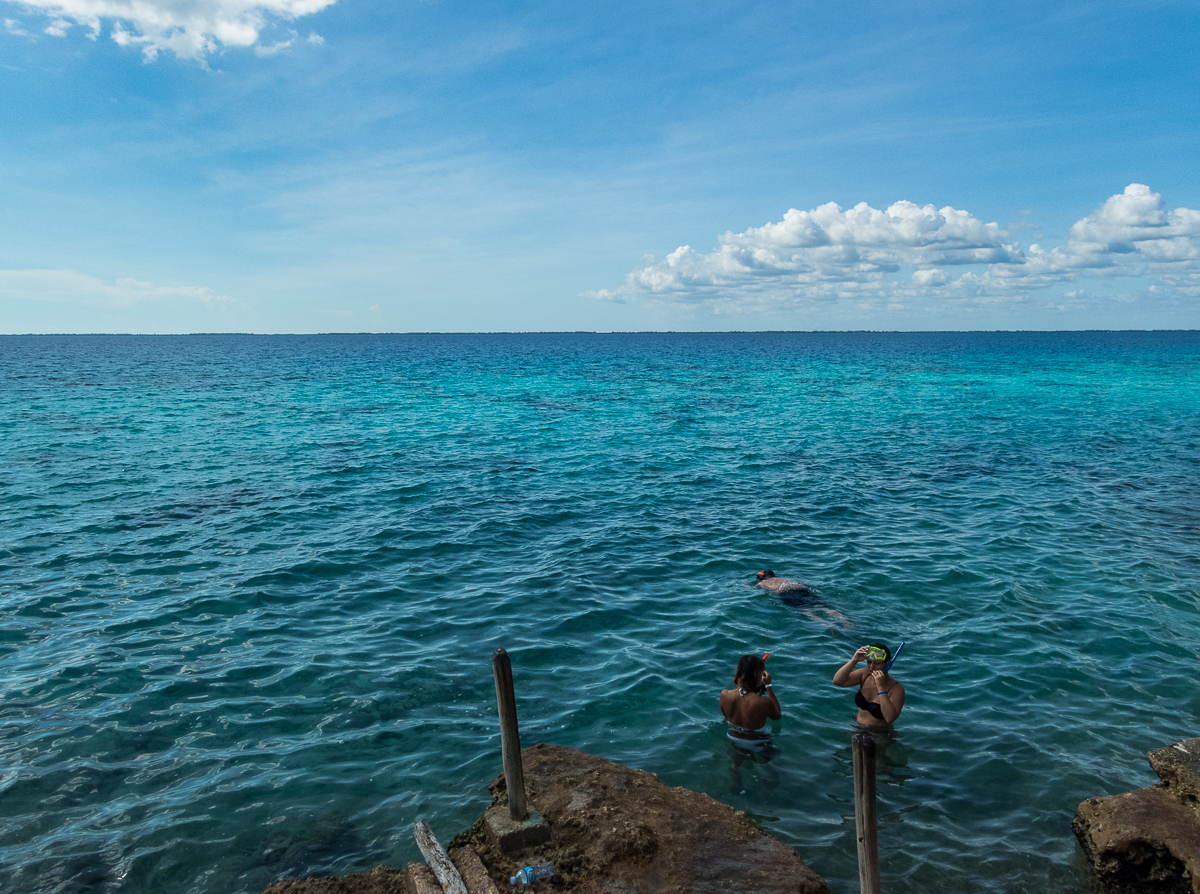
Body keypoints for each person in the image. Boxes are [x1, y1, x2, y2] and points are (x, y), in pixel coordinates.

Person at [719, 654, 780, 754]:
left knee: (737, 758)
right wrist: (768, 685)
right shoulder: (763, 701)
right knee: (775, 756)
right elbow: (777, 716)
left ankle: (735, 764)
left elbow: (727, 717)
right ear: (757, 675)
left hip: (733, 736)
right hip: (758, 741)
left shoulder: (724, 694)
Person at [832, 643, 905, 726]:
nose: (872, 666)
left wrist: (881, 688)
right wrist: (854, 660)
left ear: (888, 664)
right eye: (869, 662)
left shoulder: (896, 688)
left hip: (880, 735)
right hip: (857, 728)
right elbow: (837, 681)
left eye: (877, 663)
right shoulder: (864, 675)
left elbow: (889, 719)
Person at [756, 570, 853, 630]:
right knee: (824, 607)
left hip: (787, 593)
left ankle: (827, 625)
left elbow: (750, 589)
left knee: (807, 611)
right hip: (801, 590)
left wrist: (745, 583)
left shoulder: (763, 583)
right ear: (774, 575)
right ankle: (845, 621)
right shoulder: (786, 578)